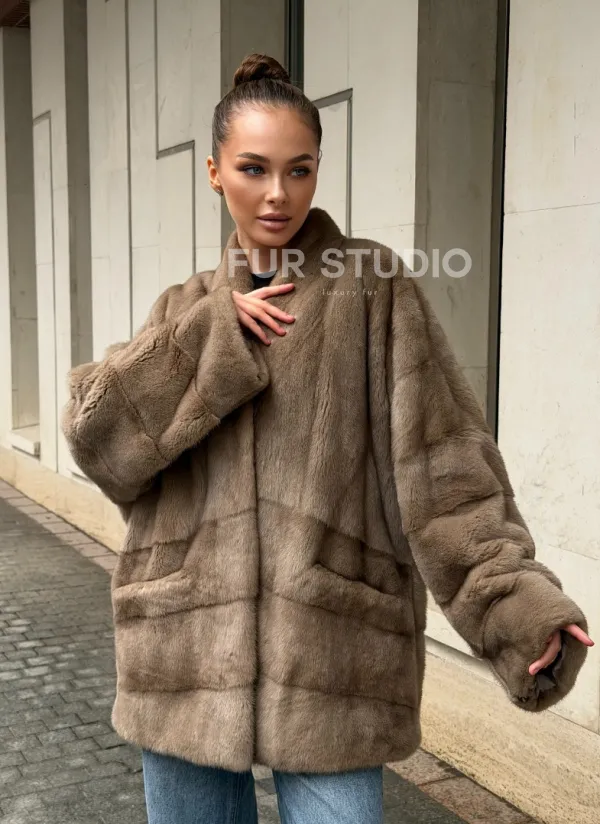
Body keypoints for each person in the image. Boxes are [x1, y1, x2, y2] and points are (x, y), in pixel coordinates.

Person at [61, 53, 594, 824]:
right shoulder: (183, 307)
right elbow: (97, 439)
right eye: (253, 168)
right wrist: (211, 336)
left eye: (299, 170)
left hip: (334, 653)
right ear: (214, 172)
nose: (277, 193)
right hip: (181, 650)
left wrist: (513, 604)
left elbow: (444, 466)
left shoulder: (370, 287)